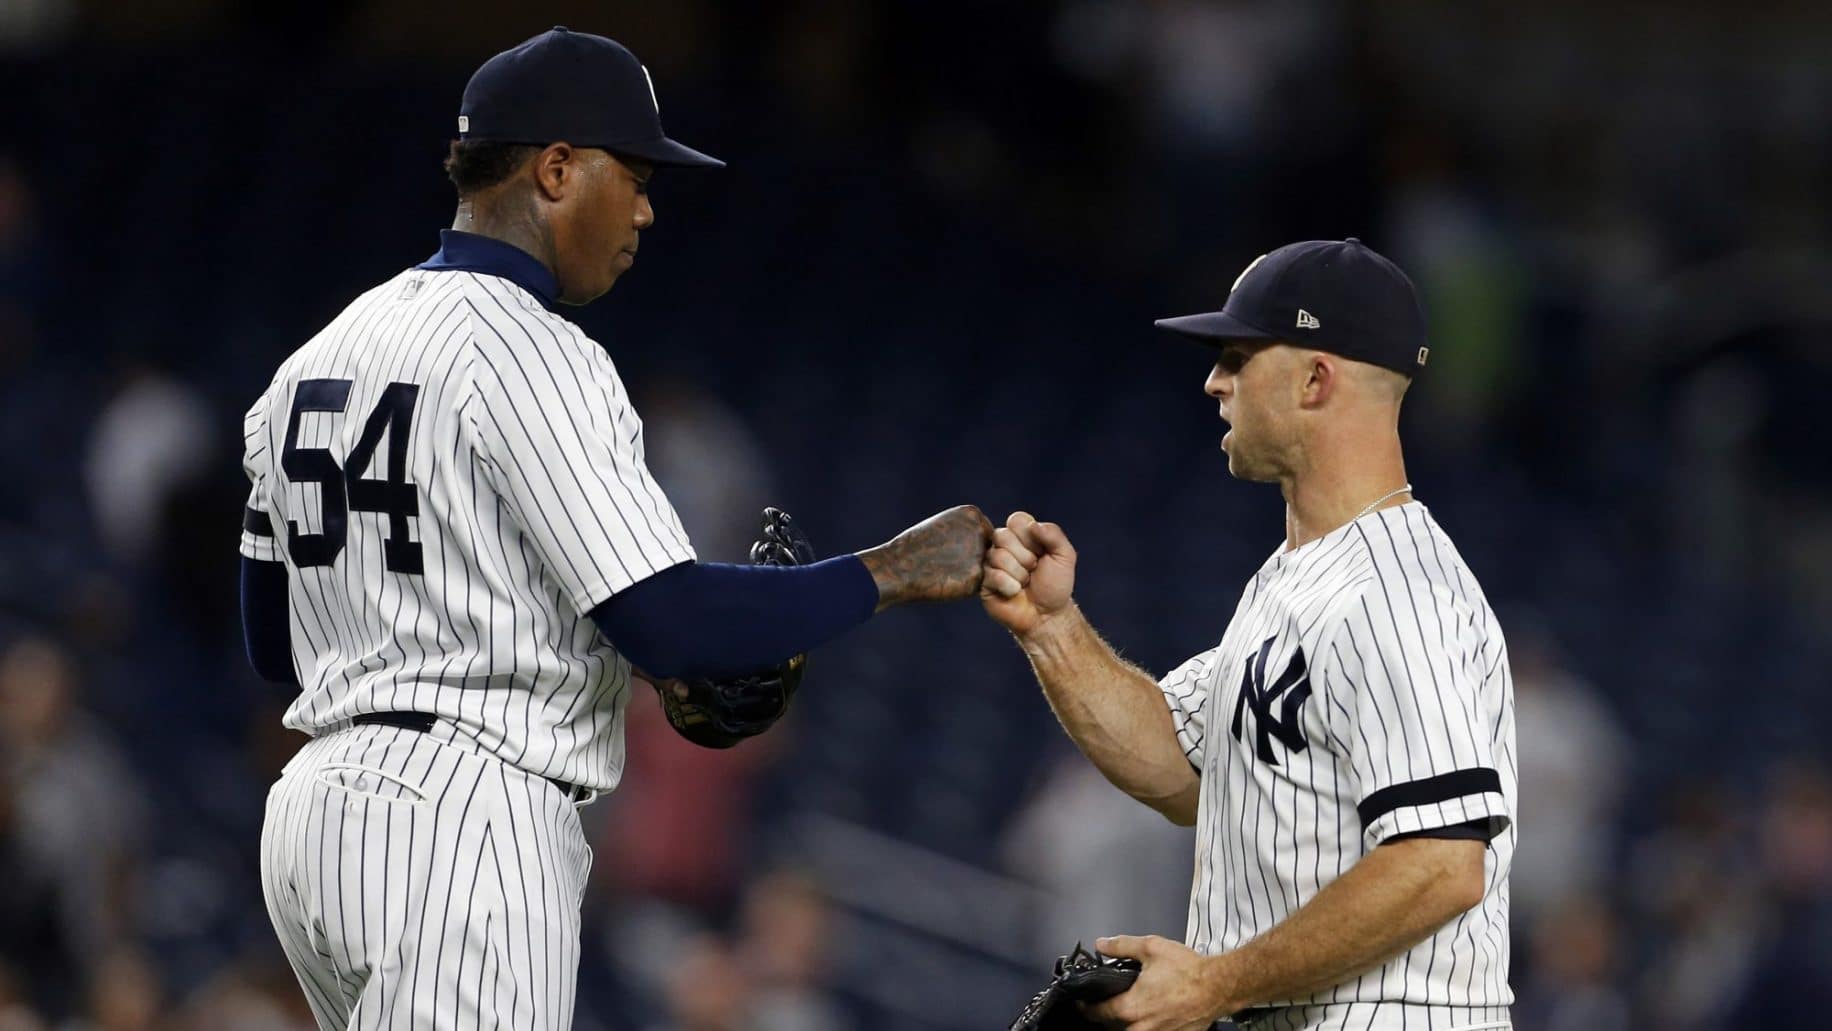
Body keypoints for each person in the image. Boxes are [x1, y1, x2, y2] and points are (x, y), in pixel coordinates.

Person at [237, 28, 989, 1030]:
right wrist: (889, 569)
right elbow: (669, 620)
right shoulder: (536, 349)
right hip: (464, 813)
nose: (644, 207)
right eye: (630, 175)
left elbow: (270, 638)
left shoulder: (310, 363)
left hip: (313, 822)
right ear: (554, 169)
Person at [981, 239, 1516, 1030]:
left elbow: (1441, 864)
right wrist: (1054, 630)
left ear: (1315, 379)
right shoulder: (1290, 578)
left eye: (1237, 356)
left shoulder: (1403, 592)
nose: (1214, 381)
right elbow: (1178, 762)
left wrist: (1215, 982)